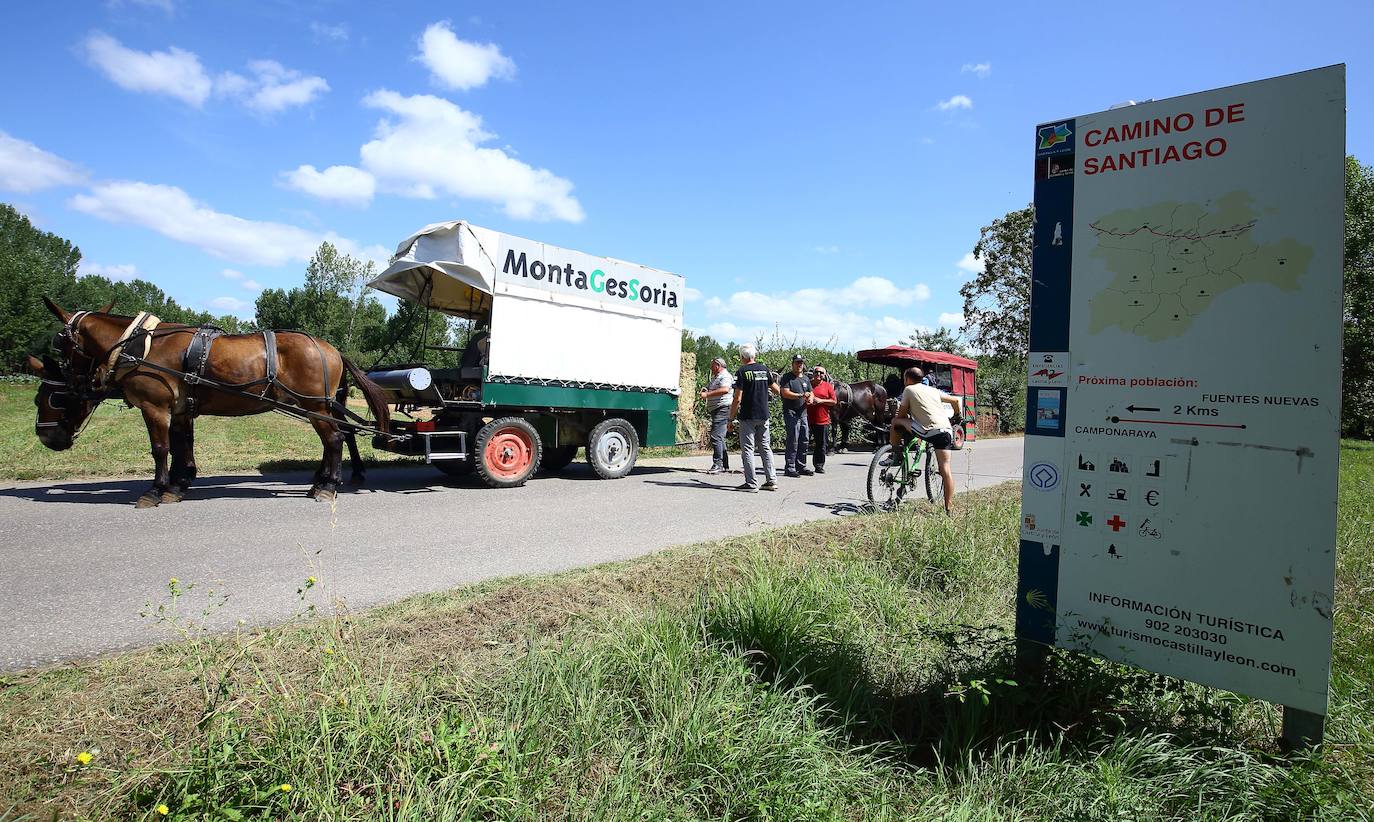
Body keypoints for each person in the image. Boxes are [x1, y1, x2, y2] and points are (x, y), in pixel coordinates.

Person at [889, 366, 962, 513]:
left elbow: (901, 415)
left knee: (895, 421)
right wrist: (957, 416)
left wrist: (903, 416)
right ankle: (948, 507)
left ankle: (896, 454)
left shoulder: (909, 390)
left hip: (927, 431)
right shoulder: (933, 390)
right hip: (946, 431)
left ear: (907, 379)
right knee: (945, 469)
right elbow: (955, 400)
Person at [727, 343, 778, 492]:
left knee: (748, 449)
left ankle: (751, 483)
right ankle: (771, 480)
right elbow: (775, 389)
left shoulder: (742, 371)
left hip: (748, 416)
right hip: (763, 415)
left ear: (743, 356)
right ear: (754, 355)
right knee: (765, 448)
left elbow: (737, 398)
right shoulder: (764, 369)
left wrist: (730, 419)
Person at [777, 354, 813, 477]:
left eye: (801, 363)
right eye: (797, 362)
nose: (799, 365)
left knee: (804, 439)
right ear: (792, 364)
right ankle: (790, 467)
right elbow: (785, 393)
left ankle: (801, 466)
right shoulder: (787, 378)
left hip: (803, 413)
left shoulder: (806, 379)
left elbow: (811, 393)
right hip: (791, 413)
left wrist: (811, 399)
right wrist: (801, 395)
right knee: (793, 440)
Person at [699, 356, 733, 474]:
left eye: (712, 365)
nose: (710, 367)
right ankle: (724, 464)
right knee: (719, 437)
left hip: (722, 408)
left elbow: (725, 389)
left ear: (718, 365)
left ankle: (717, 464)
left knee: (715, 436)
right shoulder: (717, 377)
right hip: (717, 409)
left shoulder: (725, 376)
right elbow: (711, 388)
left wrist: (707, 395)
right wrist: (706, 389)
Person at [807, 365, 838, 473]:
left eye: (821, 373)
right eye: (817, 372)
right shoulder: (808, 385)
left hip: (822, 420)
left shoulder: (828, 386)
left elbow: (834, 401)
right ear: (813, 373)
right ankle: (799, 466)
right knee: (802, 443)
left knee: (821, 444)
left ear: (824, 375)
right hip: (806, 419)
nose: (818, 374)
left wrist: (821, 401)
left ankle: (819, 465)